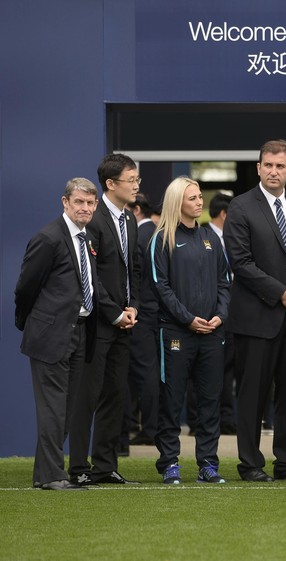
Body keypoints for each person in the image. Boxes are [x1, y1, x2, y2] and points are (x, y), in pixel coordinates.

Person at [224, 139, 286, 482]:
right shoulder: (241, 206)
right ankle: (250, 464)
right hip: (257, 318)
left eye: (280, 166)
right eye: (267, 165)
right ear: (258, 168)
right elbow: (241, 262)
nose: (273, 171)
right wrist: (281, 293)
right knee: (253, 395)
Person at [15, 178, 101, 491]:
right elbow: (26, 287)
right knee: (53, 408)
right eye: (79, 202)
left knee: (65, 409)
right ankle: (53, 475)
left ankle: (44, 474)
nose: (85, 208)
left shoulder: (87, 238)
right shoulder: (48, 238)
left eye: (90, 203)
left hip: (80, 332)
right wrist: (32, 323)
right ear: (65, 202)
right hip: (51, 334)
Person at [150, 177, 230, 484]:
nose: (200, 202)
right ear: (177, 203)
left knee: (210, 402)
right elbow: (160, 287)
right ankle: (169, 462)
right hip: (176, 333)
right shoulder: (162, 239)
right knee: (172, 402)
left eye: (199, 197)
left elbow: (224, 282)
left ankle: (208, 464)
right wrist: (187, 319)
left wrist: (220, 315)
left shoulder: (211, 238)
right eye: (193, 198)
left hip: (212, 333)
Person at [68, 154, 141, 486]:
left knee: (115, 394)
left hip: (125, 321)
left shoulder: (129, 220)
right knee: (88, 396)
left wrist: (133, 307)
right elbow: (90, 275)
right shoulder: (93, 221)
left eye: (137, 179)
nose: (136, 185)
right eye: (131, 180)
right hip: (97, 324)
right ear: (111, 184)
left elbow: (133, 270)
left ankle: (104, 466)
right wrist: (114, 313)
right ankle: (78, 467)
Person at [126, 193, 160, 447]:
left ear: (137, 210)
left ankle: (149, 429)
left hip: (143, 313)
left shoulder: (139, 235)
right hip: (157, 312)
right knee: (151, 370)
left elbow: (135, 278)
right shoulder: (158, 233)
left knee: (145, 372)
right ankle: (149, 426)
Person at [207, 193, 237, 436]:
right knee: (205, 367)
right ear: (225, 214)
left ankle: (226, 418)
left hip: (231, 312)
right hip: (207, 312)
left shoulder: (233, 239)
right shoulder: (202, 235)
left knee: (228, 367)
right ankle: (200, 419)